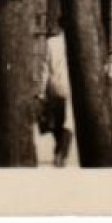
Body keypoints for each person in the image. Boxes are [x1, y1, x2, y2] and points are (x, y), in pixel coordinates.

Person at [36, 28, 72, 167]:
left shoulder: (51, 43)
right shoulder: (77, 42)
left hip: (54, 85)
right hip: (71, 85)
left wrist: (41, 91)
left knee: (57, 121)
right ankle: (61, 153)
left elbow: (44, 68)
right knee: (69, 122)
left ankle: (59, 150)